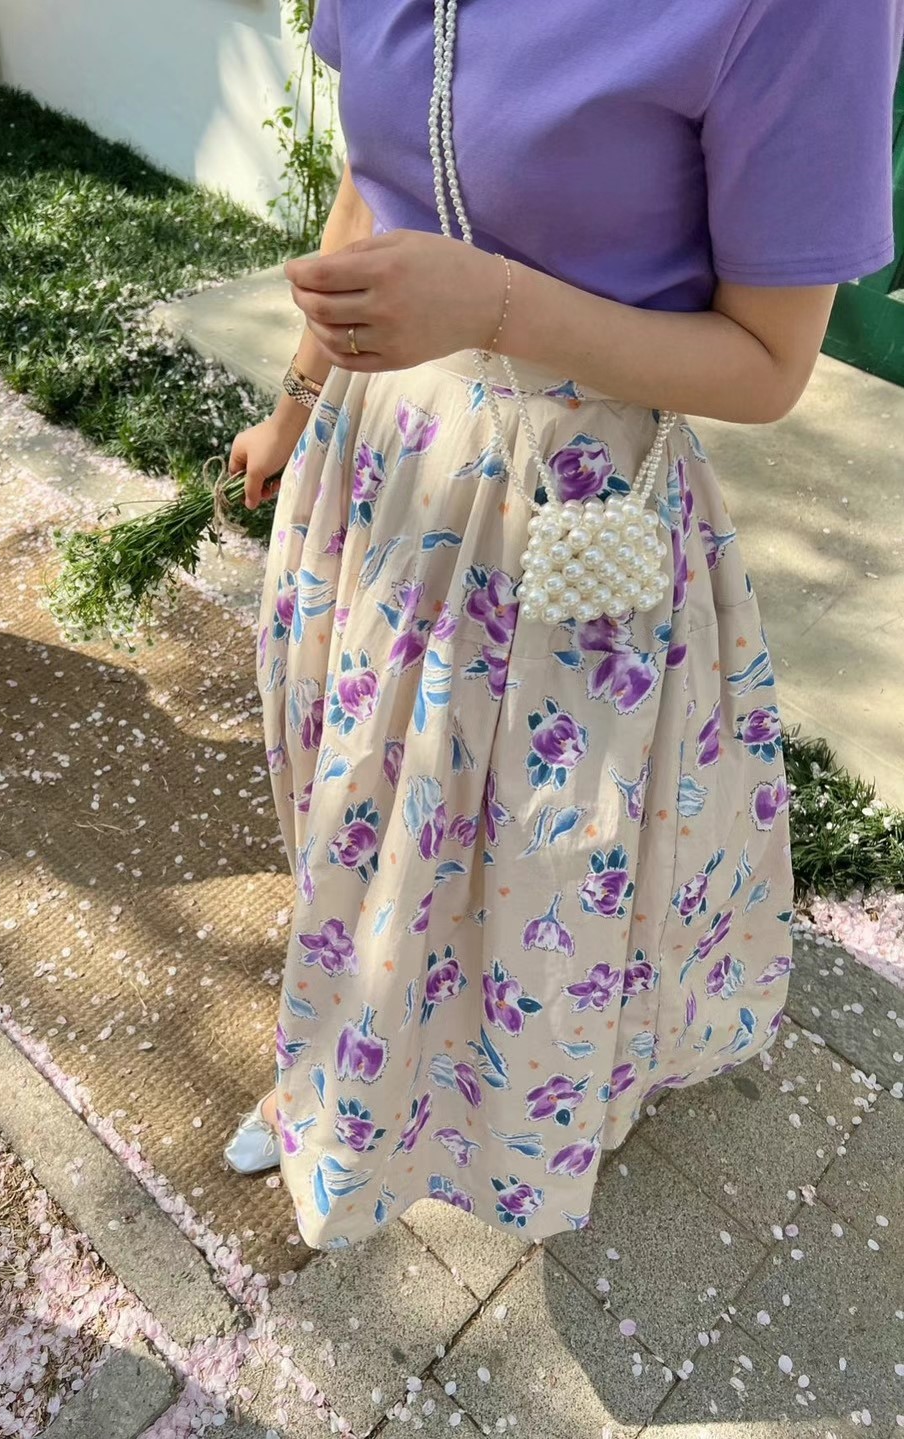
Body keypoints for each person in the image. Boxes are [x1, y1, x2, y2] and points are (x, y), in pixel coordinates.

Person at [225, 0, 904, 1249]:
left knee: (539, 860)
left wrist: (493, 304)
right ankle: (340, 1067)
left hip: (569, 523)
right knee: (363, 802)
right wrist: (296, 400)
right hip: (377, 469)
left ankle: (523, 1105)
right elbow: (373, 189)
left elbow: (768, 363)